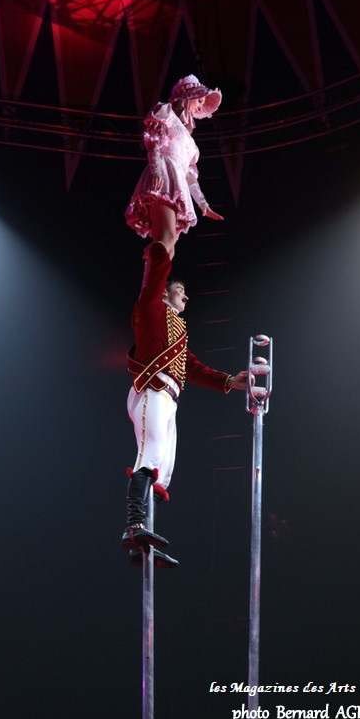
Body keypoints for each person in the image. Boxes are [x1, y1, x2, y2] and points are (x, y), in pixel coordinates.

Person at [122, 240, 263, 568]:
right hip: (152, 390)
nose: (186, 296)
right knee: (150, 453)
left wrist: (229, 380)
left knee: (164, 471)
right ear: (164, 293)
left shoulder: (178, 332)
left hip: (169, 398)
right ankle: (133, 525)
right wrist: (163, 245)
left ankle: (143, 541)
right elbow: (156, 276)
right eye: (180, 290)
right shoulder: (151, 310)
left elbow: (192, 367)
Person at [125, 74, 224, 260]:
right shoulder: (166, 113)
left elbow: (189, 175)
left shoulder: (189, 141)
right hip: (164, 175)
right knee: (167, 238)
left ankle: (152, 274)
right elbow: (153, 141)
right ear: (187, 97)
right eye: (199, 100)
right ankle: (152, 275)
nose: (199, 107)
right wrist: (156, 169)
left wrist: (203, 204)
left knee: (170, 249)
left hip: (178, 182)